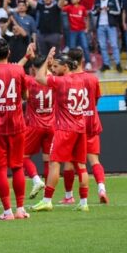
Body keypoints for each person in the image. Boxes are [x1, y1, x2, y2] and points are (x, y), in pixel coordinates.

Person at [31, 47, 90, 213]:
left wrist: (46, 59)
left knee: (54, 162)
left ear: (65, 67)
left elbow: (39, 77)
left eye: (56, 66)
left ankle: (47, 200)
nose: (54, 70)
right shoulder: (80, 80)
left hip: (65, 128)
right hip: (80, 127)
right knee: (82, 166)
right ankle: (84, 202)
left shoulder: (61, 82)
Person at [0, 37, 31, 220]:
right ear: (9, 52)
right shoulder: (19, 70)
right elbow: (26, 95)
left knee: (1, 169)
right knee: (18, 167)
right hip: (17, 125)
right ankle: (20, 209)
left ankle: (7, 212)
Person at [23, 54, 55, 199]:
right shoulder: (54, 80)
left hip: (35, 125)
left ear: (34, 68)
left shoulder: (31, 81)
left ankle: (36, 180)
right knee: (48, 160)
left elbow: (15, 70)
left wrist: (26, 56)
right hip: (52, 125)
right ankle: (47, 198)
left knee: (22, 156)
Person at [81, 58, 109, 204]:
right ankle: (101, 188)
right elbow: (96, 100)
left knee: (76, 163)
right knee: (94, 160)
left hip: (76, 124)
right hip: (92, 122)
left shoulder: (68, 79)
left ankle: (72, 197)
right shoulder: (93, 79)